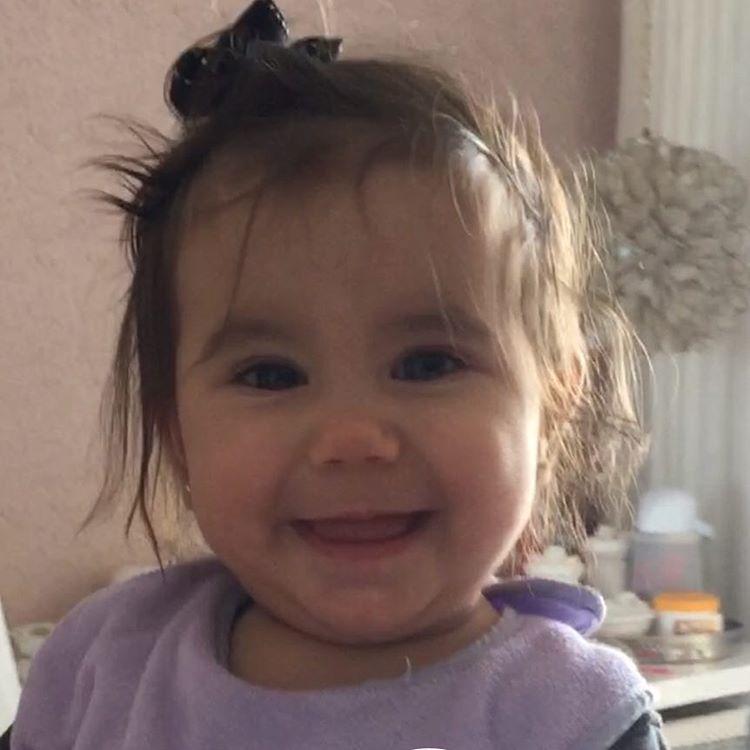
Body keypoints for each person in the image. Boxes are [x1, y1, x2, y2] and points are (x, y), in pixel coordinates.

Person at [5, 2, 667, 748]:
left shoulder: (571, 718)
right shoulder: (106, 662)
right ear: (178, 434)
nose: (352, 438)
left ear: (553, 407)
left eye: (427, 364)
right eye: (270, 375)